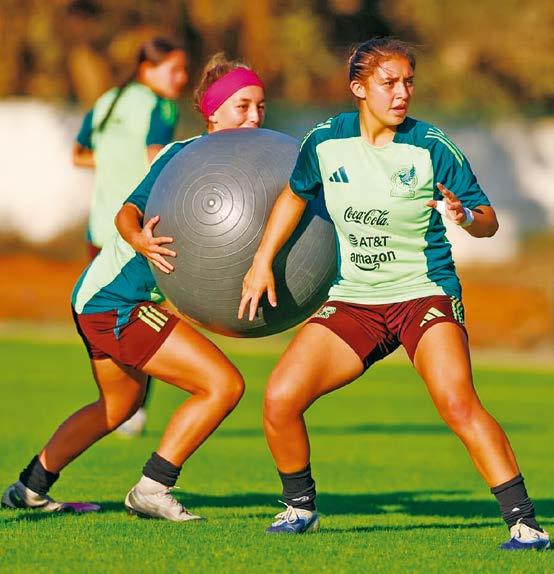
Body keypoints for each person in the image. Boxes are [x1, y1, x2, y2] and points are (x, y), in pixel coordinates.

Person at [238, 38, 549, 550]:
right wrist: (260, 262)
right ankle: (300, 508)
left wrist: (465, 217)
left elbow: (488, 221)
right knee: (280, 398)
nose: (402, 93)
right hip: (355, 300)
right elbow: (294, 194)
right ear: (358, 88)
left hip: (424, 295)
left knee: (457, 402)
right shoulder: (324, 141)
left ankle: (525, 524)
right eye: (389, 83)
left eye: (408, 82)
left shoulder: (432, 145)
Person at [2, 54, 266, 521]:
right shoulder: (182, 157)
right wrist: (139, 239)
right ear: (213, 111)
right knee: (222, 385)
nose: (254, 117)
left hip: (97, 299)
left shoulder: (247, 169)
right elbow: (127, 212)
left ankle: (29, 488)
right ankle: (153, 487)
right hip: (114, 301)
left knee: (117, 406)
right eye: (242, 106)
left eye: (260, 107)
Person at [73, 36, 188, 436]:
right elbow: (158, 156)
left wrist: (112, 162)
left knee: (107, 316)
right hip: (135, 229)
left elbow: (78, 154)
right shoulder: (161, 105)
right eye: (174, 70)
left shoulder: (107, 101)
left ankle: (115, 403)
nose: (181, 78)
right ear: (147, 69)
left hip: (98, 227)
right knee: (147, 315)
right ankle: (133, 408)